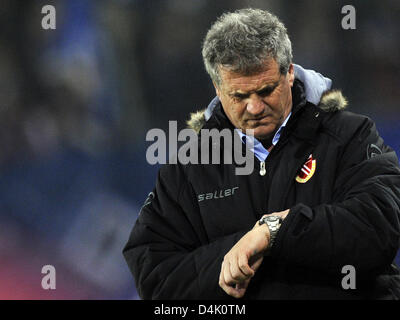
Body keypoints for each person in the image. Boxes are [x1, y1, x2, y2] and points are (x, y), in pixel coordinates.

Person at [123, 8, 400, 299]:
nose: (254, 108)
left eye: (266, 90)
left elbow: (379, 227)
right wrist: (238, 252)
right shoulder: (190, 167)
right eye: (239, 96)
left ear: (290, 72)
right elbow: (155, 277)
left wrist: (276, 231)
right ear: (218, 89)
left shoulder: (349, 137)